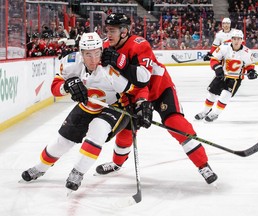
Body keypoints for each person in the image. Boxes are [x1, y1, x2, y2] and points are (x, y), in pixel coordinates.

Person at [95, 13, 218, 184]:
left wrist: (121, 62)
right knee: (126, 130)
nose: (108, 34)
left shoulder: (139, 44)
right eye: (107, 30)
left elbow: (143, 77)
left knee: (176, 124)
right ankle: (117, 164)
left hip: (159, 89)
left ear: (124, 32)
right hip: (133, 93)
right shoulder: (106, 47)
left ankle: (203, 165)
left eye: (112, 31)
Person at [21, 32, 152, 192]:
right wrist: (67, 86)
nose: (93, 59)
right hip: (88, 105)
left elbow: (139, 87)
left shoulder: (112, 68)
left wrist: (142, 103)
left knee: (98, 128)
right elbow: (55, 88)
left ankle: (78, 172)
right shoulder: (71, 63)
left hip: (116, 107)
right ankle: (40, 168)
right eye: (88, 54)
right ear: (81, 53)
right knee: (62, 142)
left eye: (97, 53)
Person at [195, 29, 258, 122]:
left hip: (235, 79)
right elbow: (214, 59)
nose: (236, 41)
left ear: (242, 40)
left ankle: (215, 113)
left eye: (239, 39)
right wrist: (217, 68)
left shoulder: (247, 52)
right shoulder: (224, 47)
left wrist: (251, 72)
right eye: (234, 39)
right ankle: (205, 111)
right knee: (211, 95)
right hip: (222, 75)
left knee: (225, 95)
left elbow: (250, 65)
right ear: (231, 39)